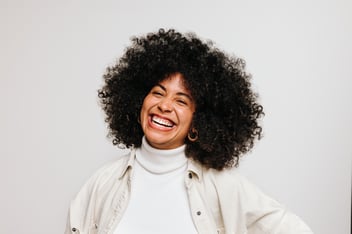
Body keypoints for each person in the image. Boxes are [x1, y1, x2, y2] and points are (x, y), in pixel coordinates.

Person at [65, 29, 313, 234]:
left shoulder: (224, 187)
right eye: (158, 92)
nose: (164, 105)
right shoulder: (102, 183)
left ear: (199, 122)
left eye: (181, 101)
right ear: (139, 100)